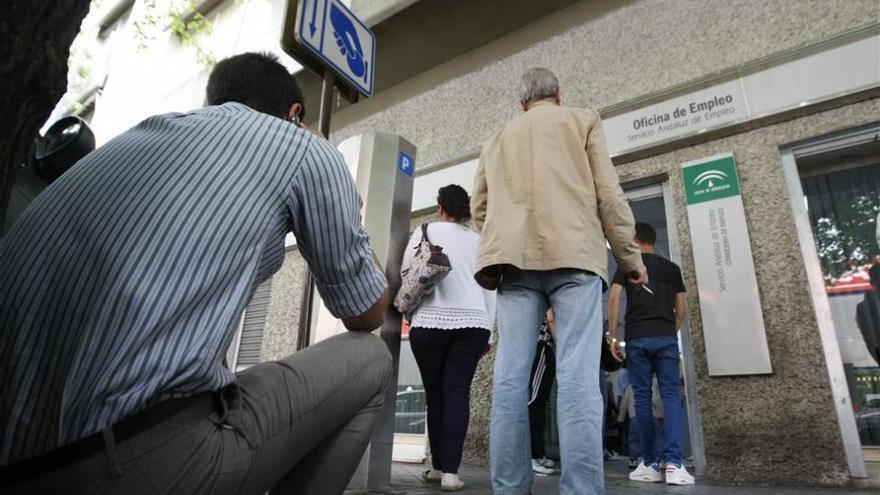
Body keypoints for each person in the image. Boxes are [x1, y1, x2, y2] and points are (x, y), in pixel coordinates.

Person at [0, 52, 392, 495]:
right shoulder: (302, 148)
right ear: (294, 114)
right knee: (373, 357)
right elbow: (366, 311)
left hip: (16, 460)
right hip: (123, 464)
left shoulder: (138, 135)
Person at [472, 67, 646, 495]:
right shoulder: (582, 121)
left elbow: (480, 208)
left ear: (522, 103)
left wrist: (503, 241)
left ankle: (510, 488)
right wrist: (630, 258)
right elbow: (608, 193)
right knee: (578, 379)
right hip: (575, 259)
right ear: (559, 95)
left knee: (511, 377)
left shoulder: (497, 138)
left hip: (514, 264)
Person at [402, 184, 495, 492]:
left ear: (440, 207)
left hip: (429, 321)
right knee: (457, 392)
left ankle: (439, 465)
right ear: (466, 211)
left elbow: (407, 272)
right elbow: (489, 288)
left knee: (435, 394)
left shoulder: (424, 231)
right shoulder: (479, 241)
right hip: (473, 323)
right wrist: (490, 331)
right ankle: (450, 473)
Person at [607, 222, 695, 485]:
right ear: (653, 241)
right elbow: (681, 308)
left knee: (642, 400)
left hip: (637, 339)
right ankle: (675, 465)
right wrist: (669, 329)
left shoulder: (628, 266)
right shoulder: (672, 268)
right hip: (665, 337)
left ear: (634, 240)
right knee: (670, 398)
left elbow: (613, 298)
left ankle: (650, 463)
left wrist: (613, 336)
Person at [528, 312, 557, 476]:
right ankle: (532, 456)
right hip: (542, 345)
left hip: (545, 347)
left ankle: (538, 454)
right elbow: (550, 317)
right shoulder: (545, 293)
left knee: (539, 403)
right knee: (535, 402)